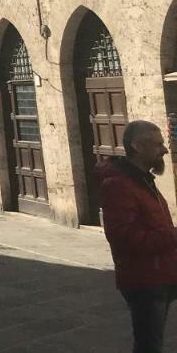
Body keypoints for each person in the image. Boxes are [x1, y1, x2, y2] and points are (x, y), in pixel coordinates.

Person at [99, 119, 177, 353]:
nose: (164, 149)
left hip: (162, 272)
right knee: (148, 346)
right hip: (144, 280)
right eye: (157, 144)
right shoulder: (119, 185)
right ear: (137, 146)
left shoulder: (142, 180)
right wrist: (173, 236)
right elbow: (125, 237)